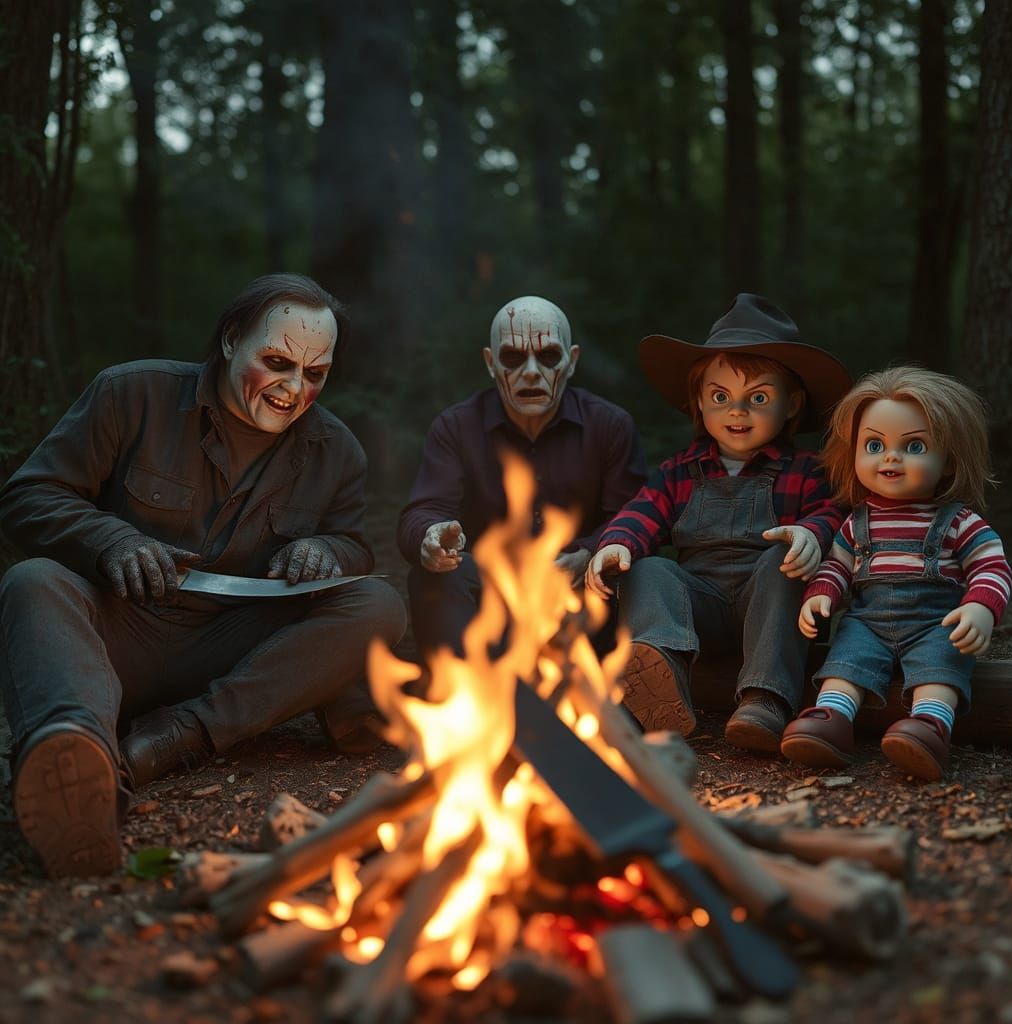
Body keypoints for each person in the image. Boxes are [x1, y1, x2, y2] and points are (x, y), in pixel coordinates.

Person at [0, 273, 407, 878]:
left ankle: (172, 741)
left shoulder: (336, 450)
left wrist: (328, 549)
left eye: (315, 373)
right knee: (33, 581)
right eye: (276, 363)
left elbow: (354, 547)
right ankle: (76, 758)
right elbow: (28, 497)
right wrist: (112, 540)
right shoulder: (130, 394)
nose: (293, 388)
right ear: (230, 340)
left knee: (378, 604)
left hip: (239, 654)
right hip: (115, 638)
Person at [586, 293, 851, 753]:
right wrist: (618, 543)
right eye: (721, 397)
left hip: (768, 611)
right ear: (700, 402)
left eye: (758, 398)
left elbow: (834, 513)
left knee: (783, 562)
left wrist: (812, 533)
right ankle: (660, 674)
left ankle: (765, 698)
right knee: (649, 569)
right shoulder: (680, 471)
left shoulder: (806, 470)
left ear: (791, 404)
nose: (737, 411)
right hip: (698, 609)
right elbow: (644, 510)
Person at [780, 366, 1012, 780]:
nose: (890, 457)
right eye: (874, 445)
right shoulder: (856, 521)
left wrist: (980, 608)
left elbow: (991, 566)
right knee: (845, 663)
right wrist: (822, 593)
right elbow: (837, 564)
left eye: (914, 446)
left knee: (941, 666)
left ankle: (930, 725)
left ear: (949, 461)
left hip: (936, 623)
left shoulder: (958, 521)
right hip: (867, 622)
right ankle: (831, 718)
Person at [397, 295, 647, 658]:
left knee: (644, 569)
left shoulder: (610, 427)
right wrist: (430, 536)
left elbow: (636, 517)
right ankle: (460, 682)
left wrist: (588, 554)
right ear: (491, 363)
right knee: (434, 574)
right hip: (490, 608)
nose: (531, 371)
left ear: (572, 361)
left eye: (548, 356)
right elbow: (423, 511)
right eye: (513, 358)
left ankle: (628, 675)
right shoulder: (456, 428)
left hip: (584, 605)